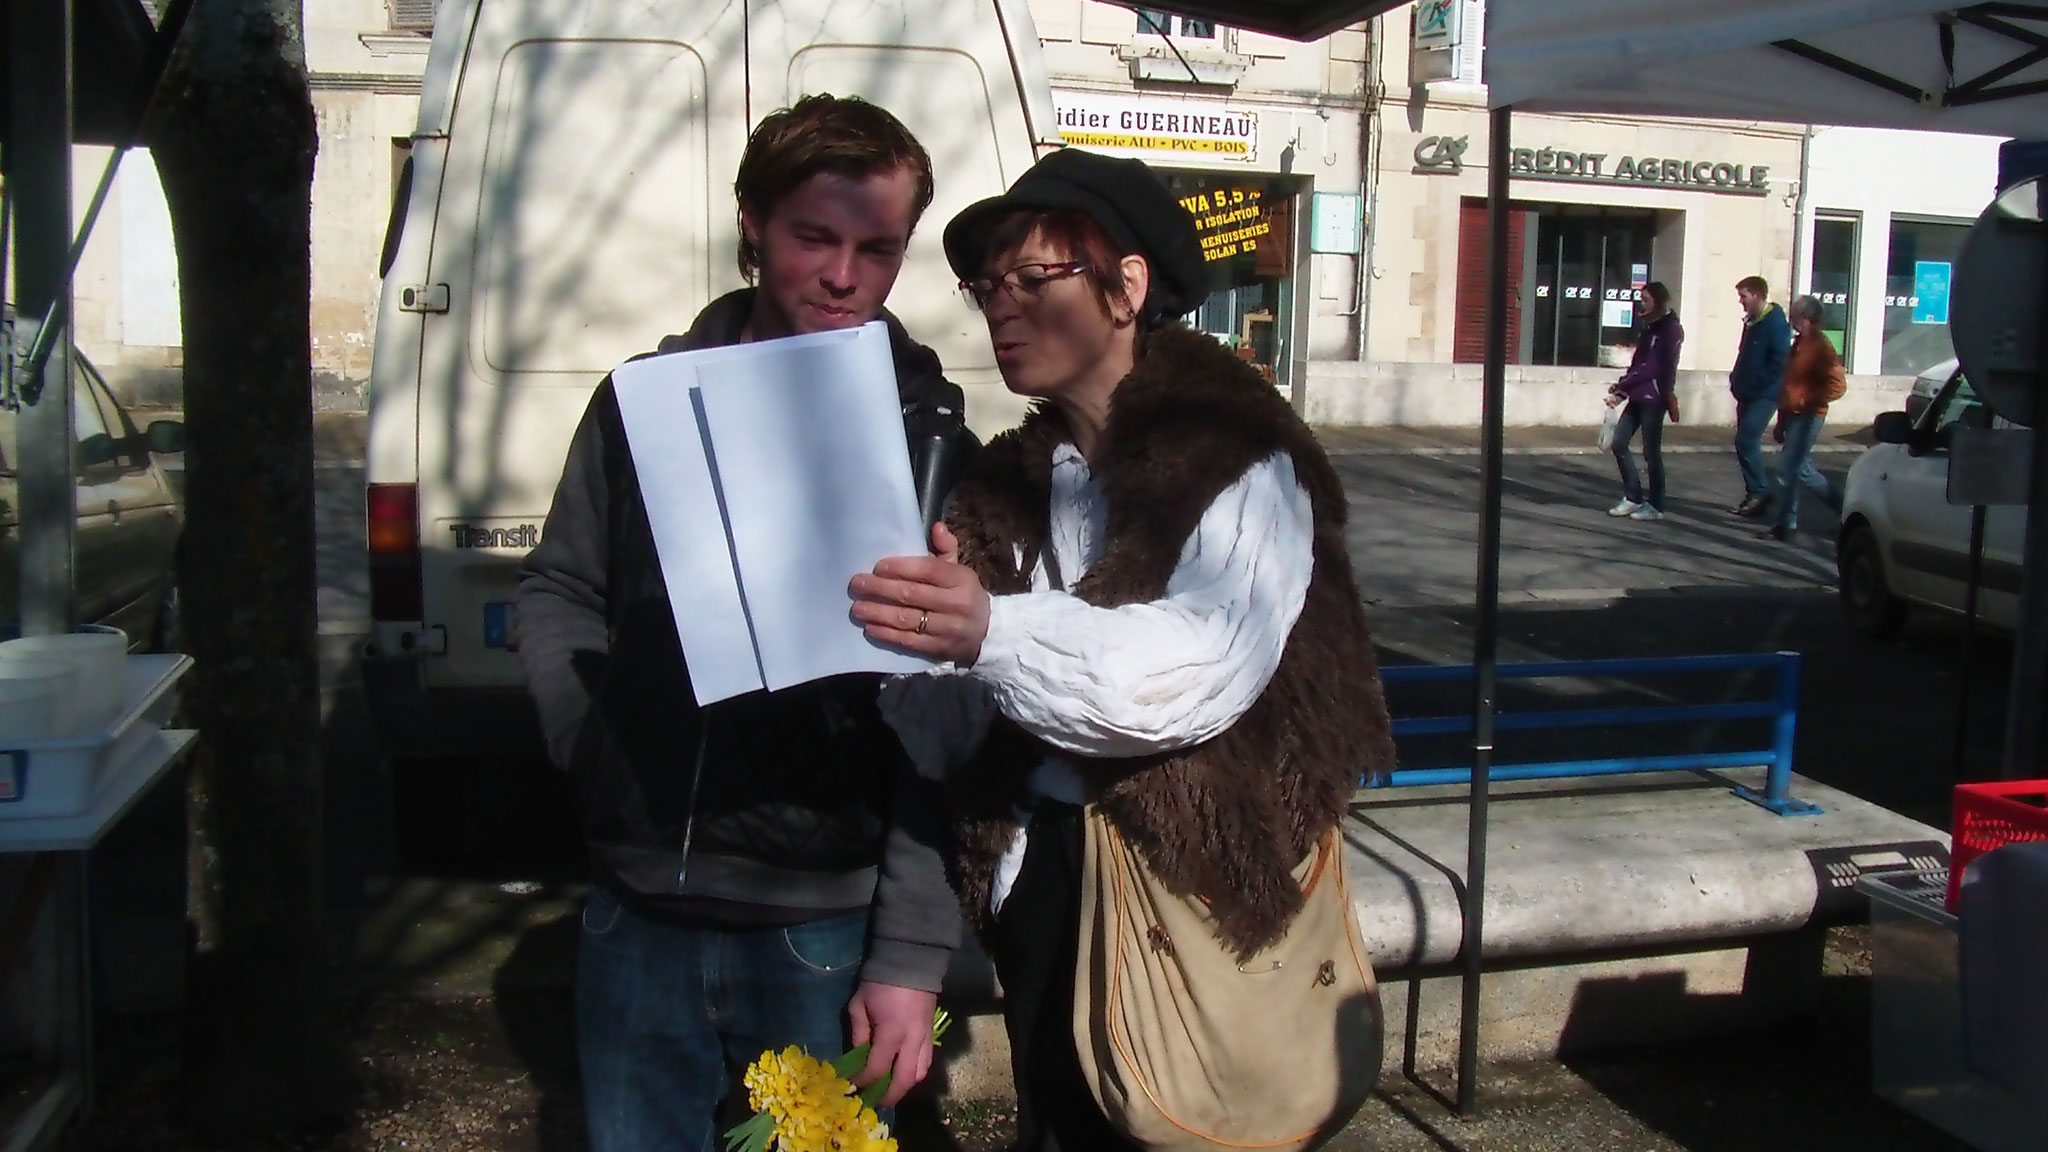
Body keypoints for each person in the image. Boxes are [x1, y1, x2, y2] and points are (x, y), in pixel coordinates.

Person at [846, 149, 1398, 1151]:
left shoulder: (1236, 453)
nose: (1000, 309)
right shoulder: (1008, 480)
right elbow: (952, 713)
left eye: (1033, 281)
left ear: (1126, 288)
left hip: (1193, 893)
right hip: (1044, 893)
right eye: (986, 288)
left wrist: (988, 631)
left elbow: (1193, 667)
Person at [514, 95, 969, 1152]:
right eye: (814, 236)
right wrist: (589, 744)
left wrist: (906, 955)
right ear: (752, 224)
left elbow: (950, 724)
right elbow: (559, 588)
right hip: (639, 906)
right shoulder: (644, 400)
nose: (843, 275)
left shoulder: (933, 442)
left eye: (876, 248)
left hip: (822, 923)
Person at [1762, 294, 1846, 541]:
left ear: (1807, 318)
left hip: (1809, 415)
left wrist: (1806, 401)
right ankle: (1844, 507)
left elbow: (1837, 385)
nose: (1792, 321)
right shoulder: (1799, 344)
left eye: (1795, 316)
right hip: (1794, 414)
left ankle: (1786, 524)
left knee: (1788, 468)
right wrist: (1782, 419)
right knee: (1802, 469)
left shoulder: (1821, 347)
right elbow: (1790, 385)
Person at [1604, 281, 1684, 522]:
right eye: (1641, 299)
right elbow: (1638, 364)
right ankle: (1633, 496)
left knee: (1651, 451)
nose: (1641, 304)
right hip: (1638, 395)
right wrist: (1622, 391)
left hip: (1655, 397)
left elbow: (1652, 367)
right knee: (1619, 443)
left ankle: (1656, 503)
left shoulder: (1670, 330)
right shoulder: (1648, 330)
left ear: (1658, 302)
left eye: (1646, 300)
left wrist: (1623, 385)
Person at [1728, 275, 1790, 517]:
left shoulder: (1775, 324)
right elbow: (1744, 355)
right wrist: (1736, 379)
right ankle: (1754, 491)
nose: (1741, 301)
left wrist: (1753, 384)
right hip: (1746, 392)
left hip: (1764, 394)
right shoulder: (1752, 322)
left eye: (1743, 296)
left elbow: (1778, 363)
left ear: (1756, 295)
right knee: (1742, 442)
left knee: (1746, 440)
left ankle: (1760, 491)